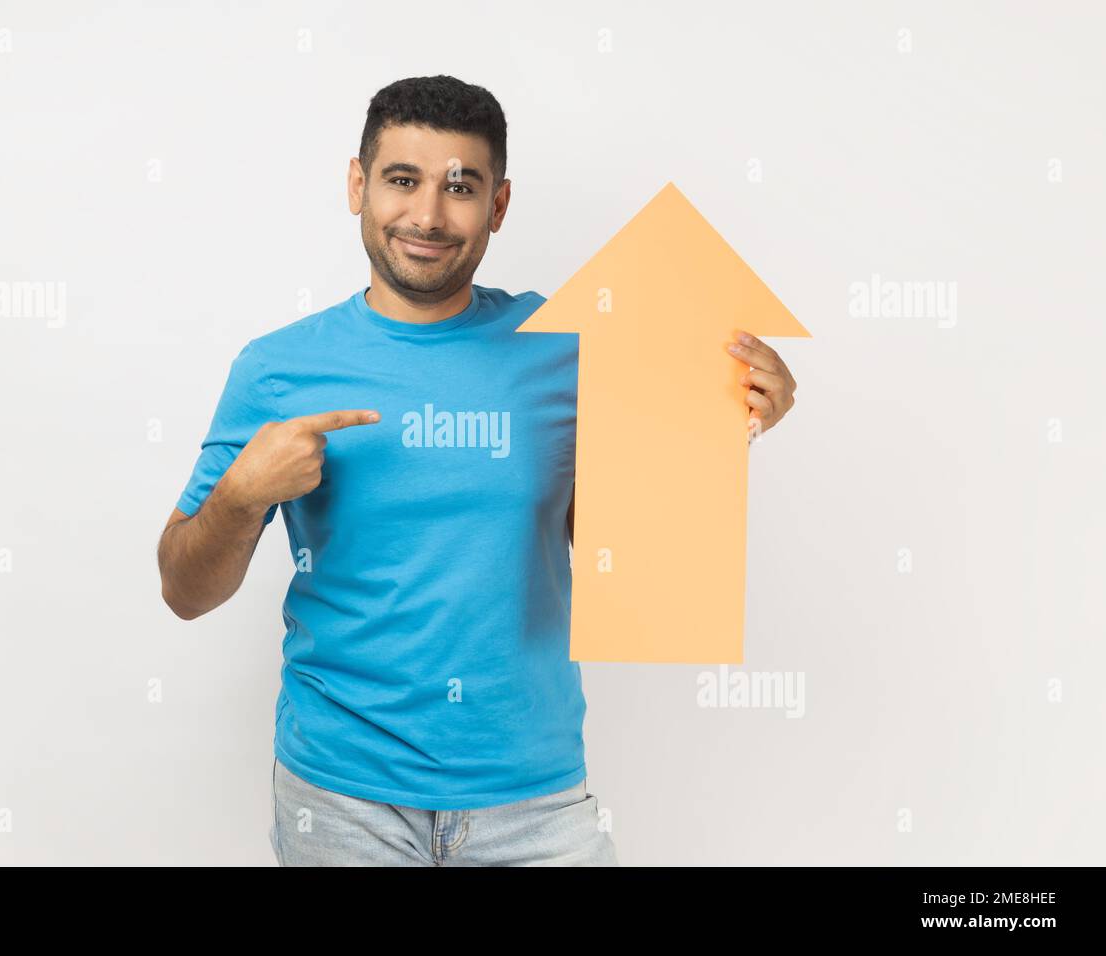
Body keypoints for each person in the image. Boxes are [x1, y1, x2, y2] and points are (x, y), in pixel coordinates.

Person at [156, 75, 798, 866]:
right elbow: (185, 590)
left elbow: (612, 554)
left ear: (497, 204)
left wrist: (712, 428)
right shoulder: (278, 369)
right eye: (402, 180)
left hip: (534, 796)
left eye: (460, 187)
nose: (427, 215)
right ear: (357, 185)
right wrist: (242, 495)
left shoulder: (563, 348)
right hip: (341, 794)